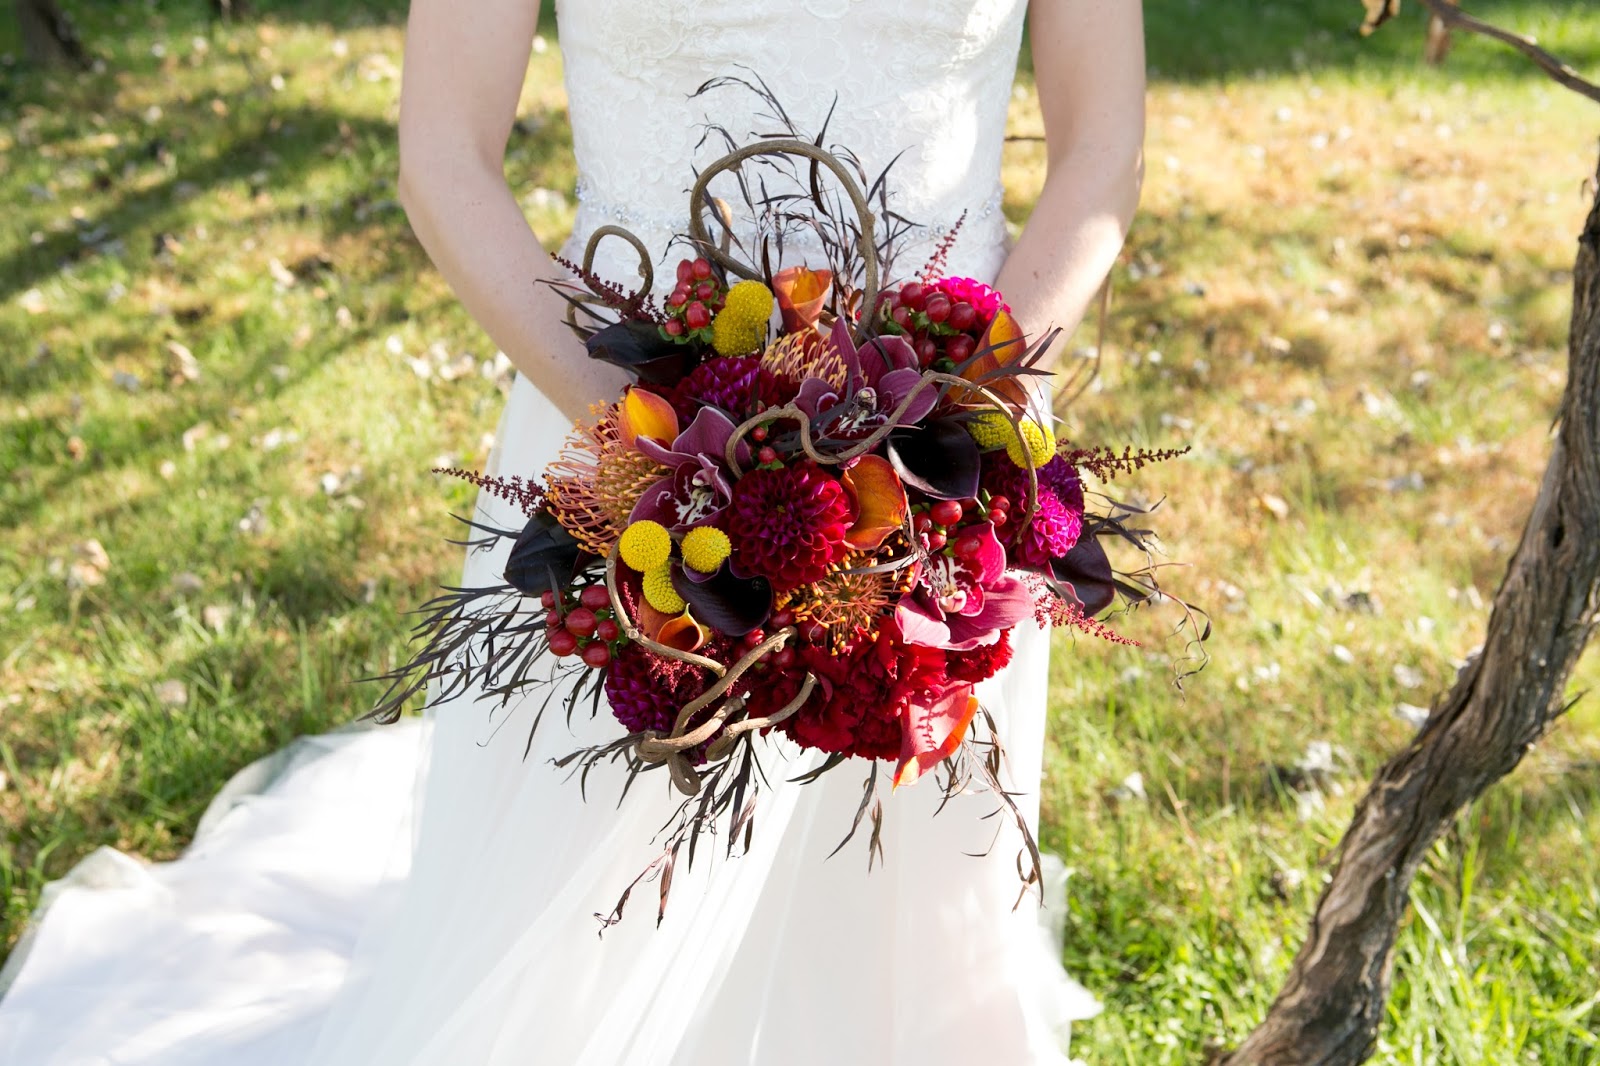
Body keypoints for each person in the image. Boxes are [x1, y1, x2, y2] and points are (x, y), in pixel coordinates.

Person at [0, 3, 1144, 1063]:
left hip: (943, 456)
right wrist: (658, 450)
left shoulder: (949, 433)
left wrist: (949, 416)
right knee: (582, 918)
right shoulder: (628, 440)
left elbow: (1100, 153)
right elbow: (443, 155)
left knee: (899, 897)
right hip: (612, 429)